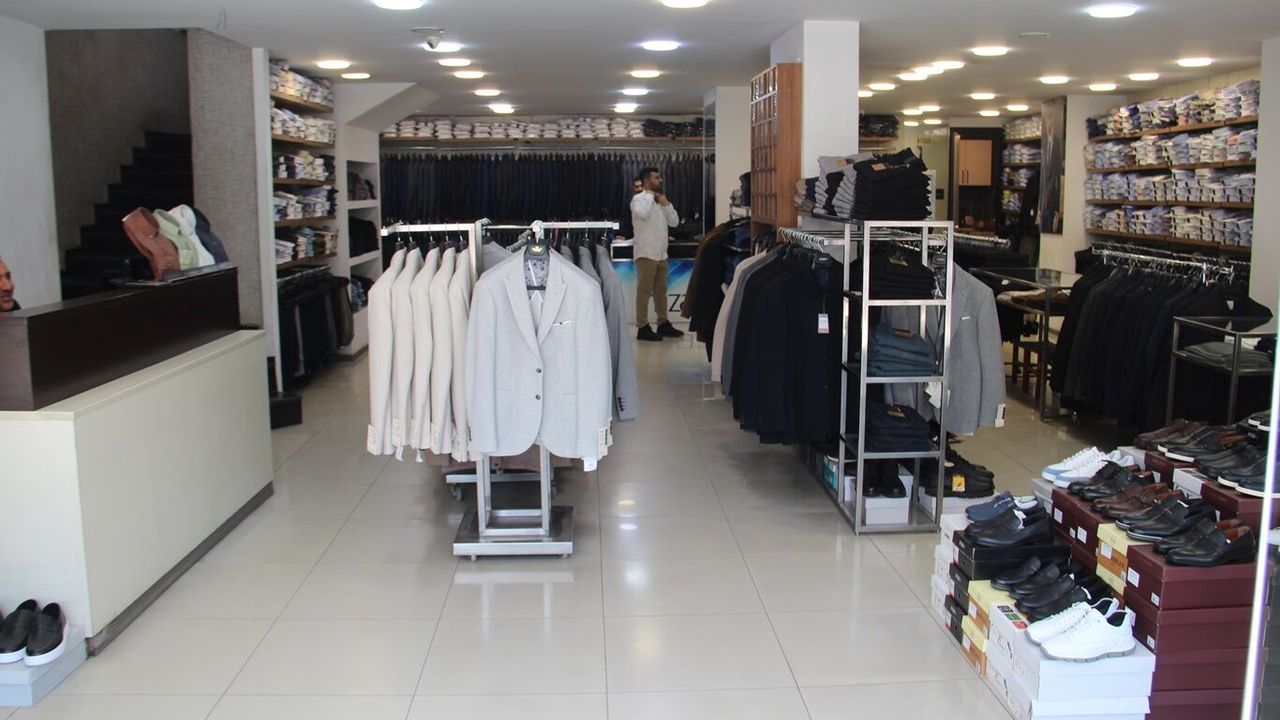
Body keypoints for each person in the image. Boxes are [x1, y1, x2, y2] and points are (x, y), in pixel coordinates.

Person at [630, 167, 683, 342]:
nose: (660, 180)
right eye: (656, 178)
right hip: (646, 253)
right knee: (644, 292)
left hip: (662, 254)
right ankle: (642, 326)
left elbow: (674, 222)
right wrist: (650, 197)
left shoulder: (662, 200)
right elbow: (642, 214)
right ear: (646, 181)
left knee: (661, 291)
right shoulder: (638, 199)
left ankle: (663, 323)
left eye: (660, 177)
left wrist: (666, 204)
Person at [616, 177, 643, 242]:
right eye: (637, 187)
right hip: (635, 237)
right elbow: (626, 221)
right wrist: (624, 235)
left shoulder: (653, 201)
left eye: (641, 186)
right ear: (633, 188)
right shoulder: (630, 203)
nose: (640, 189)